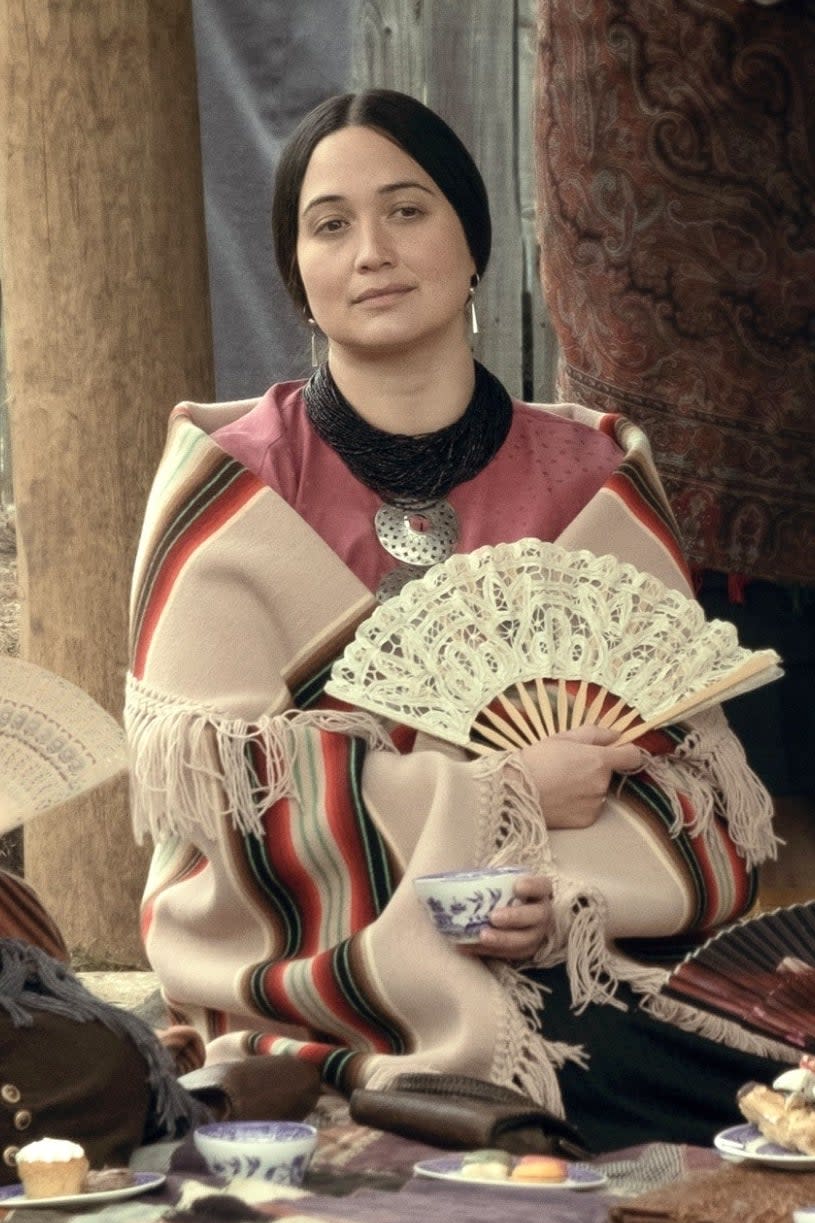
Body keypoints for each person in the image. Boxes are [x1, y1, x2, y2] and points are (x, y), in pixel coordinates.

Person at [125, 89, 793, 1153]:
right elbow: (225, 822)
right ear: (296, 273)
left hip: (570, 950)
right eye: (329, 224)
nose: (372, 251)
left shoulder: (592, 473)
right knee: (598, 1073)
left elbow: (692, 787)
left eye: (407, 210)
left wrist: (557, 891)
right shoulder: (229, 486)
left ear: (472, 242)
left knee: (774, 1054)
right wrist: (496, 797)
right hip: (326, 976)